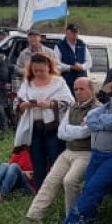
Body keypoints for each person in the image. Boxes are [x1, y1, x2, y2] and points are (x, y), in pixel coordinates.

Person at [59, 74, 112, 224]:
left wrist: (97, 122)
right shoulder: (109, 105)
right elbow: (91, 116)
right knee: (89, 189)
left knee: (93, 189)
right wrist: (99, 121)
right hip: (98, 154)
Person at [25, 77, 98, 221]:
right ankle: (33, 216)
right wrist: (74, 130)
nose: (78, 92)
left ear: (91, 89)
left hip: (86, 153)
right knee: (50, 180)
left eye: (82, 89)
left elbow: (85, 132)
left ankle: (72, 220)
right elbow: (60, 133)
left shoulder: (96, 109)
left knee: (70, 181)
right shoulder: (73, 106)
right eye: (76, 89)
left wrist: (69, 130)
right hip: (68, 151)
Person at [13, 53, 74, 189]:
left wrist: (51, 104)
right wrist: (25, 105)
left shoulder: (59, 82)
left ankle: (58, 188)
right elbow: (17, 104)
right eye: (35, 70)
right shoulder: (27, 83)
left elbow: (69, 102)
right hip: (34, 127)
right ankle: (40, 190)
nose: (38, 73)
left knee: (55, 157)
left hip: (53, 127)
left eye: (41, 70)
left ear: (48, 67)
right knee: (37, 160)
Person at [54, 23, 88, 94]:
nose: (74, 34)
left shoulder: (82, 44)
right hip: (66, 81)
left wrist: (82, 67)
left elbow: (89, 61)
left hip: (82, 80)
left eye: (76, 32)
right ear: (67, 33)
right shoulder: (59, 46)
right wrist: (70, 67)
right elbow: (56, 64)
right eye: (72, 32)